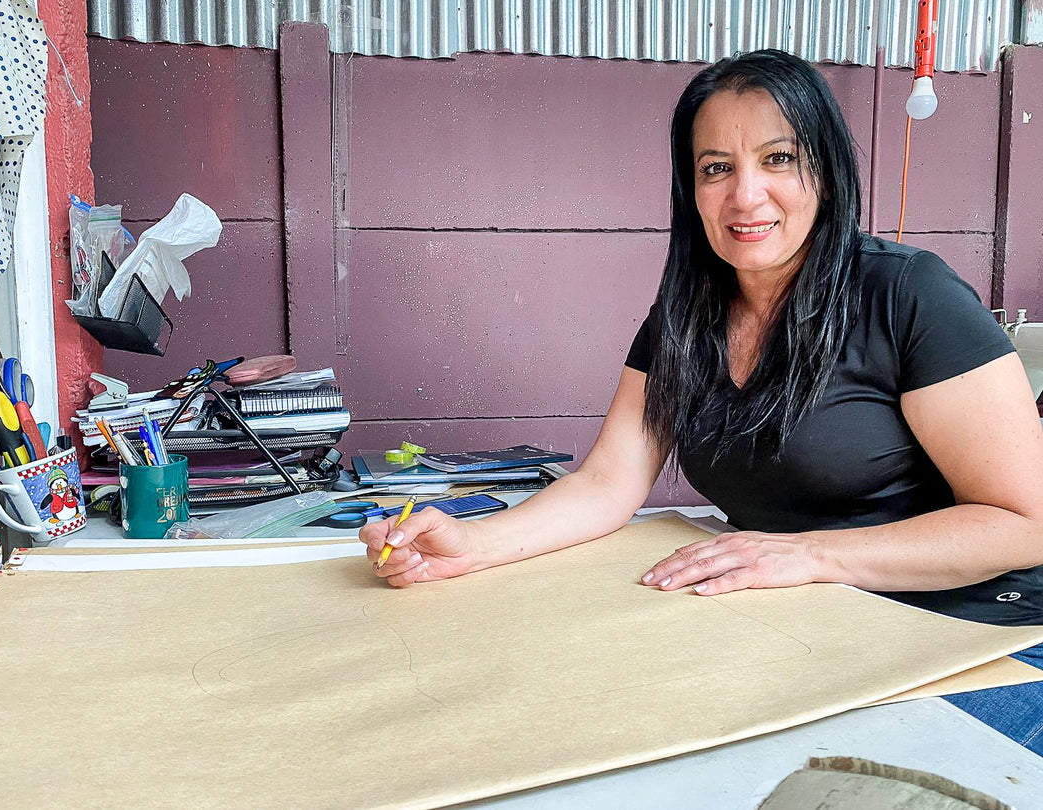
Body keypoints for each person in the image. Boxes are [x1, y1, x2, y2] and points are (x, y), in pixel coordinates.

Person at [359, 49, 1043, 752]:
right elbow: (607, 482)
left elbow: (1024, 524)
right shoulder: (684, 317)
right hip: (810, 625)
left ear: (828, 172)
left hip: (981, 634)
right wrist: (469, 545)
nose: (745, 195)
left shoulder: (910, 294)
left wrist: (811, 556)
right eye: (717, 168)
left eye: (779, 159)